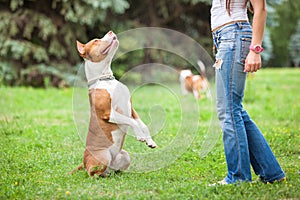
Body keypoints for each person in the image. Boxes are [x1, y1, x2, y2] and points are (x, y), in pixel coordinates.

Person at [210, 0, 286, 185]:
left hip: (234, 36)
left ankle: (238, 177)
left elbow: (260, 9)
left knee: (229, 110)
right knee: (234, 110)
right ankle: (271, 172)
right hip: (225, 37)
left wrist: (255, 50)